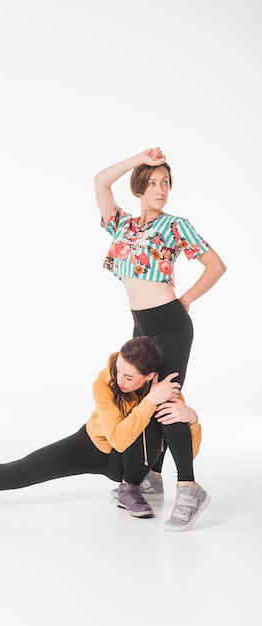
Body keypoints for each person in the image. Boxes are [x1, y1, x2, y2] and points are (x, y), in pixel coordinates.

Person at [0, 336, 209, 532]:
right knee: (17, 471)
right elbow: (118, 439)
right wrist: (148, 399)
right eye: (118, 370)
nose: (120, 379)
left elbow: (185, 450)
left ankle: (147, 486)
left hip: (134, 463)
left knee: (171, 413)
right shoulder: (104, 383)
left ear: (150, 376)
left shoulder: (161, 390)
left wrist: (192, 419)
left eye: (130, 377)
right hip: (96, 445)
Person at [93, 147, 226, 495]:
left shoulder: (176, 226)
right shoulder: (122, 225)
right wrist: (138, 158)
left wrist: (185, 300)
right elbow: (100, 182)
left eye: (165, 182)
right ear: (139, 187)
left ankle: (189, 487)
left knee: (166, 400)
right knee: (144, 398)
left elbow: (216, 266)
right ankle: (153, 475)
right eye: (152, 183)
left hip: (170, 324)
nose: (160, 189)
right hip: (141, 324)